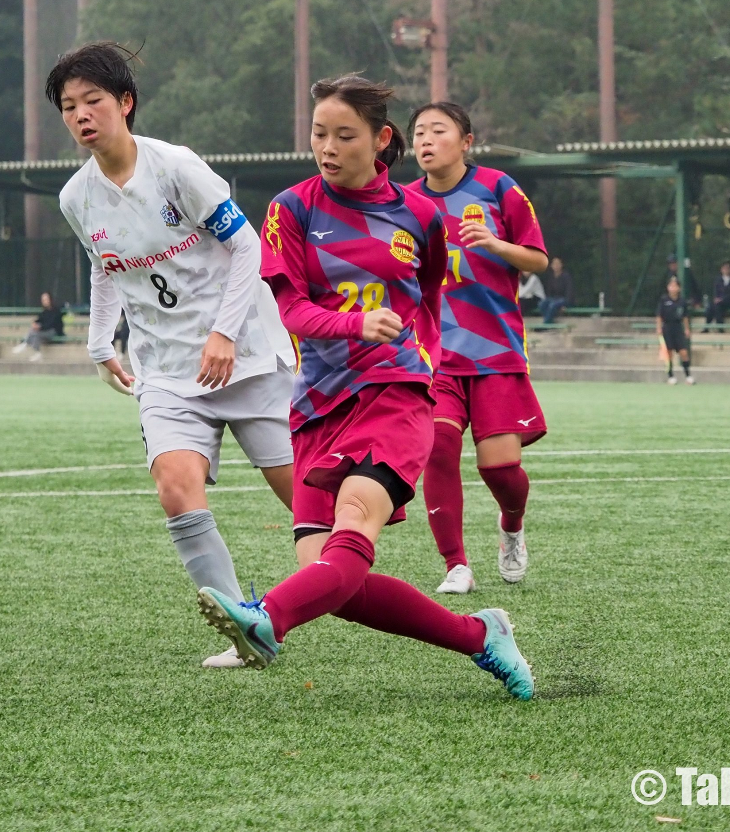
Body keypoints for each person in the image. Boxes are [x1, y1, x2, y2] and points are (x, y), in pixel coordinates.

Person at [196, 74, 534, 701]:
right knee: (333, 580)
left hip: (396, 390)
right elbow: (291, 309)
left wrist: (423, 357)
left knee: (356, 517)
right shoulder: (290, 208)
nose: (327, 146)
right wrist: (357, 324)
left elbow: (429, 294)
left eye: (343, 135)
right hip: (319, 404)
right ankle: (480, 636)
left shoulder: (421, 214)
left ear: (380, 139)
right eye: (319, 133)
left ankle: (266, 617)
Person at [52, 41, 297, 670]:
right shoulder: (76, 197)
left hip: (243, 354)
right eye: (68, 106)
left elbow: (248, 250)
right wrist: (99, 341)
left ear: (126, 103)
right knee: (175, 488)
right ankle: (247, 633)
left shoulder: (175, 167)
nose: (81, 115)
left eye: (93, 101)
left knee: (305, 500)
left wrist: (221, 331)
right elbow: (106, 267)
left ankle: (356, 538)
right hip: (163, 368)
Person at [405, 101, 549, 594]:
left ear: (466, 141)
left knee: (502, 470)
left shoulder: (499, 188)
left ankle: (511, 525)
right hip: (432, 357)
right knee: (438, 449)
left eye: (437, 130)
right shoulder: (404, 203)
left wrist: (493, 244)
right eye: (419, 132)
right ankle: (456, 564)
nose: (426, 140)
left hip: (495, 354)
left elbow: (537, 261)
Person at [658, 275, 694, 385]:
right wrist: (659, 328)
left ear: (679, 288)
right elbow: (659, 315)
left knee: (683, 352)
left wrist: (687, 329)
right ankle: (670, 376)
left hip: (678, 328)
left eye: (675, 286)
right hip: (667, 327)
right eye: (671, 285)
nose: (673, 288)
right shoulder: (664, 300)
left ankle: (688, 375)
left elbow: (685, 316)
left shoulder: (682, 301)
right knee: (669, 353)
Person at [11, 291, 65, 362]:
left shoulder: (56, 311)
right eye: (43, 300)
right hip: (44, 330)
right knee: (33, 331)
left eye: (46, 299)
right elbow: (39, 319)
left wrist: (40, 327)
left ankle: (25, 343)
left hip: (53, 331)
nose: (44, 301)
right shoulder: (44, 311)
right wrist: (35, 323)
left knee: (35, 333)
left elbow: (51, 324)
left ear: (50, 299)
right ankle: (36, 351)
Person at [703, 260, 730, 331]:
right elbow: (715, 292)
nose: (725, 270)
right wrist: (717, 299)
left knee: (718, 305)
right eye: (724, 268)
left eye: (727, 268)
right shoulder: (718, 280)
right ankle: (707, 327)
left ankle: (719, 327)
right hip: (719, 303)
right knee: (711, 306)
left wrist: (722, 299)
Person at [540, 255, 574, 324]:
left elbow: (569, 291)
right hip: (553, 298)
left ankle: (546, 324)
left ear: (561, 265)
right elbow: (548, 291)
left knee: (552, 305)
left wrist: (565, 305)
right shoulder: (551, 277)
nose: (556, 266)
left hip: (563, 299)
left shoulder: (566, 276)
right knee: (542, 304)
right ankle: (549, 320)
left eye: (558, 264)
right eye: (554, 264)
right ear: (551, 266)